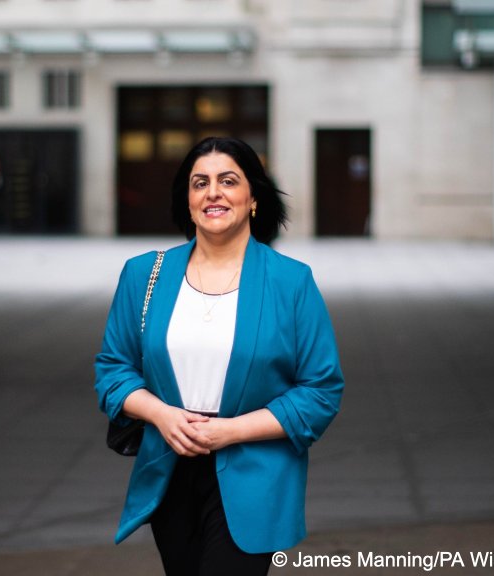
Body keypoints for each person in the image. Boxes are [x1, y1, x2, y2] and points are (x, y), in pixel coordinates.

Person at [95, 137, 345, 575]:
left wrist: (229, 431)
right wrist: (161, 415)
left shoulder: (291, 282)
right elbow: (113, 370)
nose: (213, 192)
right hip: (169, 469)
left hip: (255, 470)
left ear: (252, 198)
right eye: (200, 183)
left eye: (228, 181)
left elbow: (320, 391)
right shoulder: (143, 275)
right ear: (188, 202)